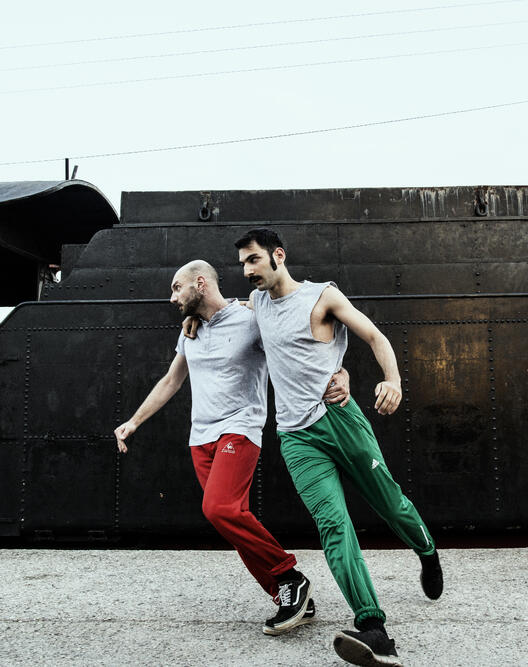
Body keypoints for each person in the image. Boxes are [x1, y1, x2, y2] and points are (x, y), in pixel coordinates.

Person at [234, 228, 443, 667]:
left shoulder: (322, 297)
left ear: (278, 256)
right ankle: (373, 627)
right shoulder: (257, 303)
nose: (247, 270)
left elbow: (376, 337)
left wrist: (392, 380)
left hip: (340, 419)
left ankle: (426, 549)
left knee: (390, 503)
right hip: (296, 437)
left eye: (253, 260)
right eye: (243, 264)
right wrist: (196, 317)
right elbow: (227, 310)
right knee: (333, 526)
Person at [114, 259, 349, 636]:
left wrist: (340, 372)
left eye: (177, 287)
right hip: (201, 439)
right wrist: (134, 421)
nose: (172, 297)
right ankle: (289, 595)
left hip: (239, 429)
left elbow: (299, 344)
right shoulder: (190, 330)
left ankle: (290, 576)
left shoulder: (252, 319)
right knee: (230, 520)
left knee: (218, 508)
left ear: (200, 283)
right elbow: (172, 380)